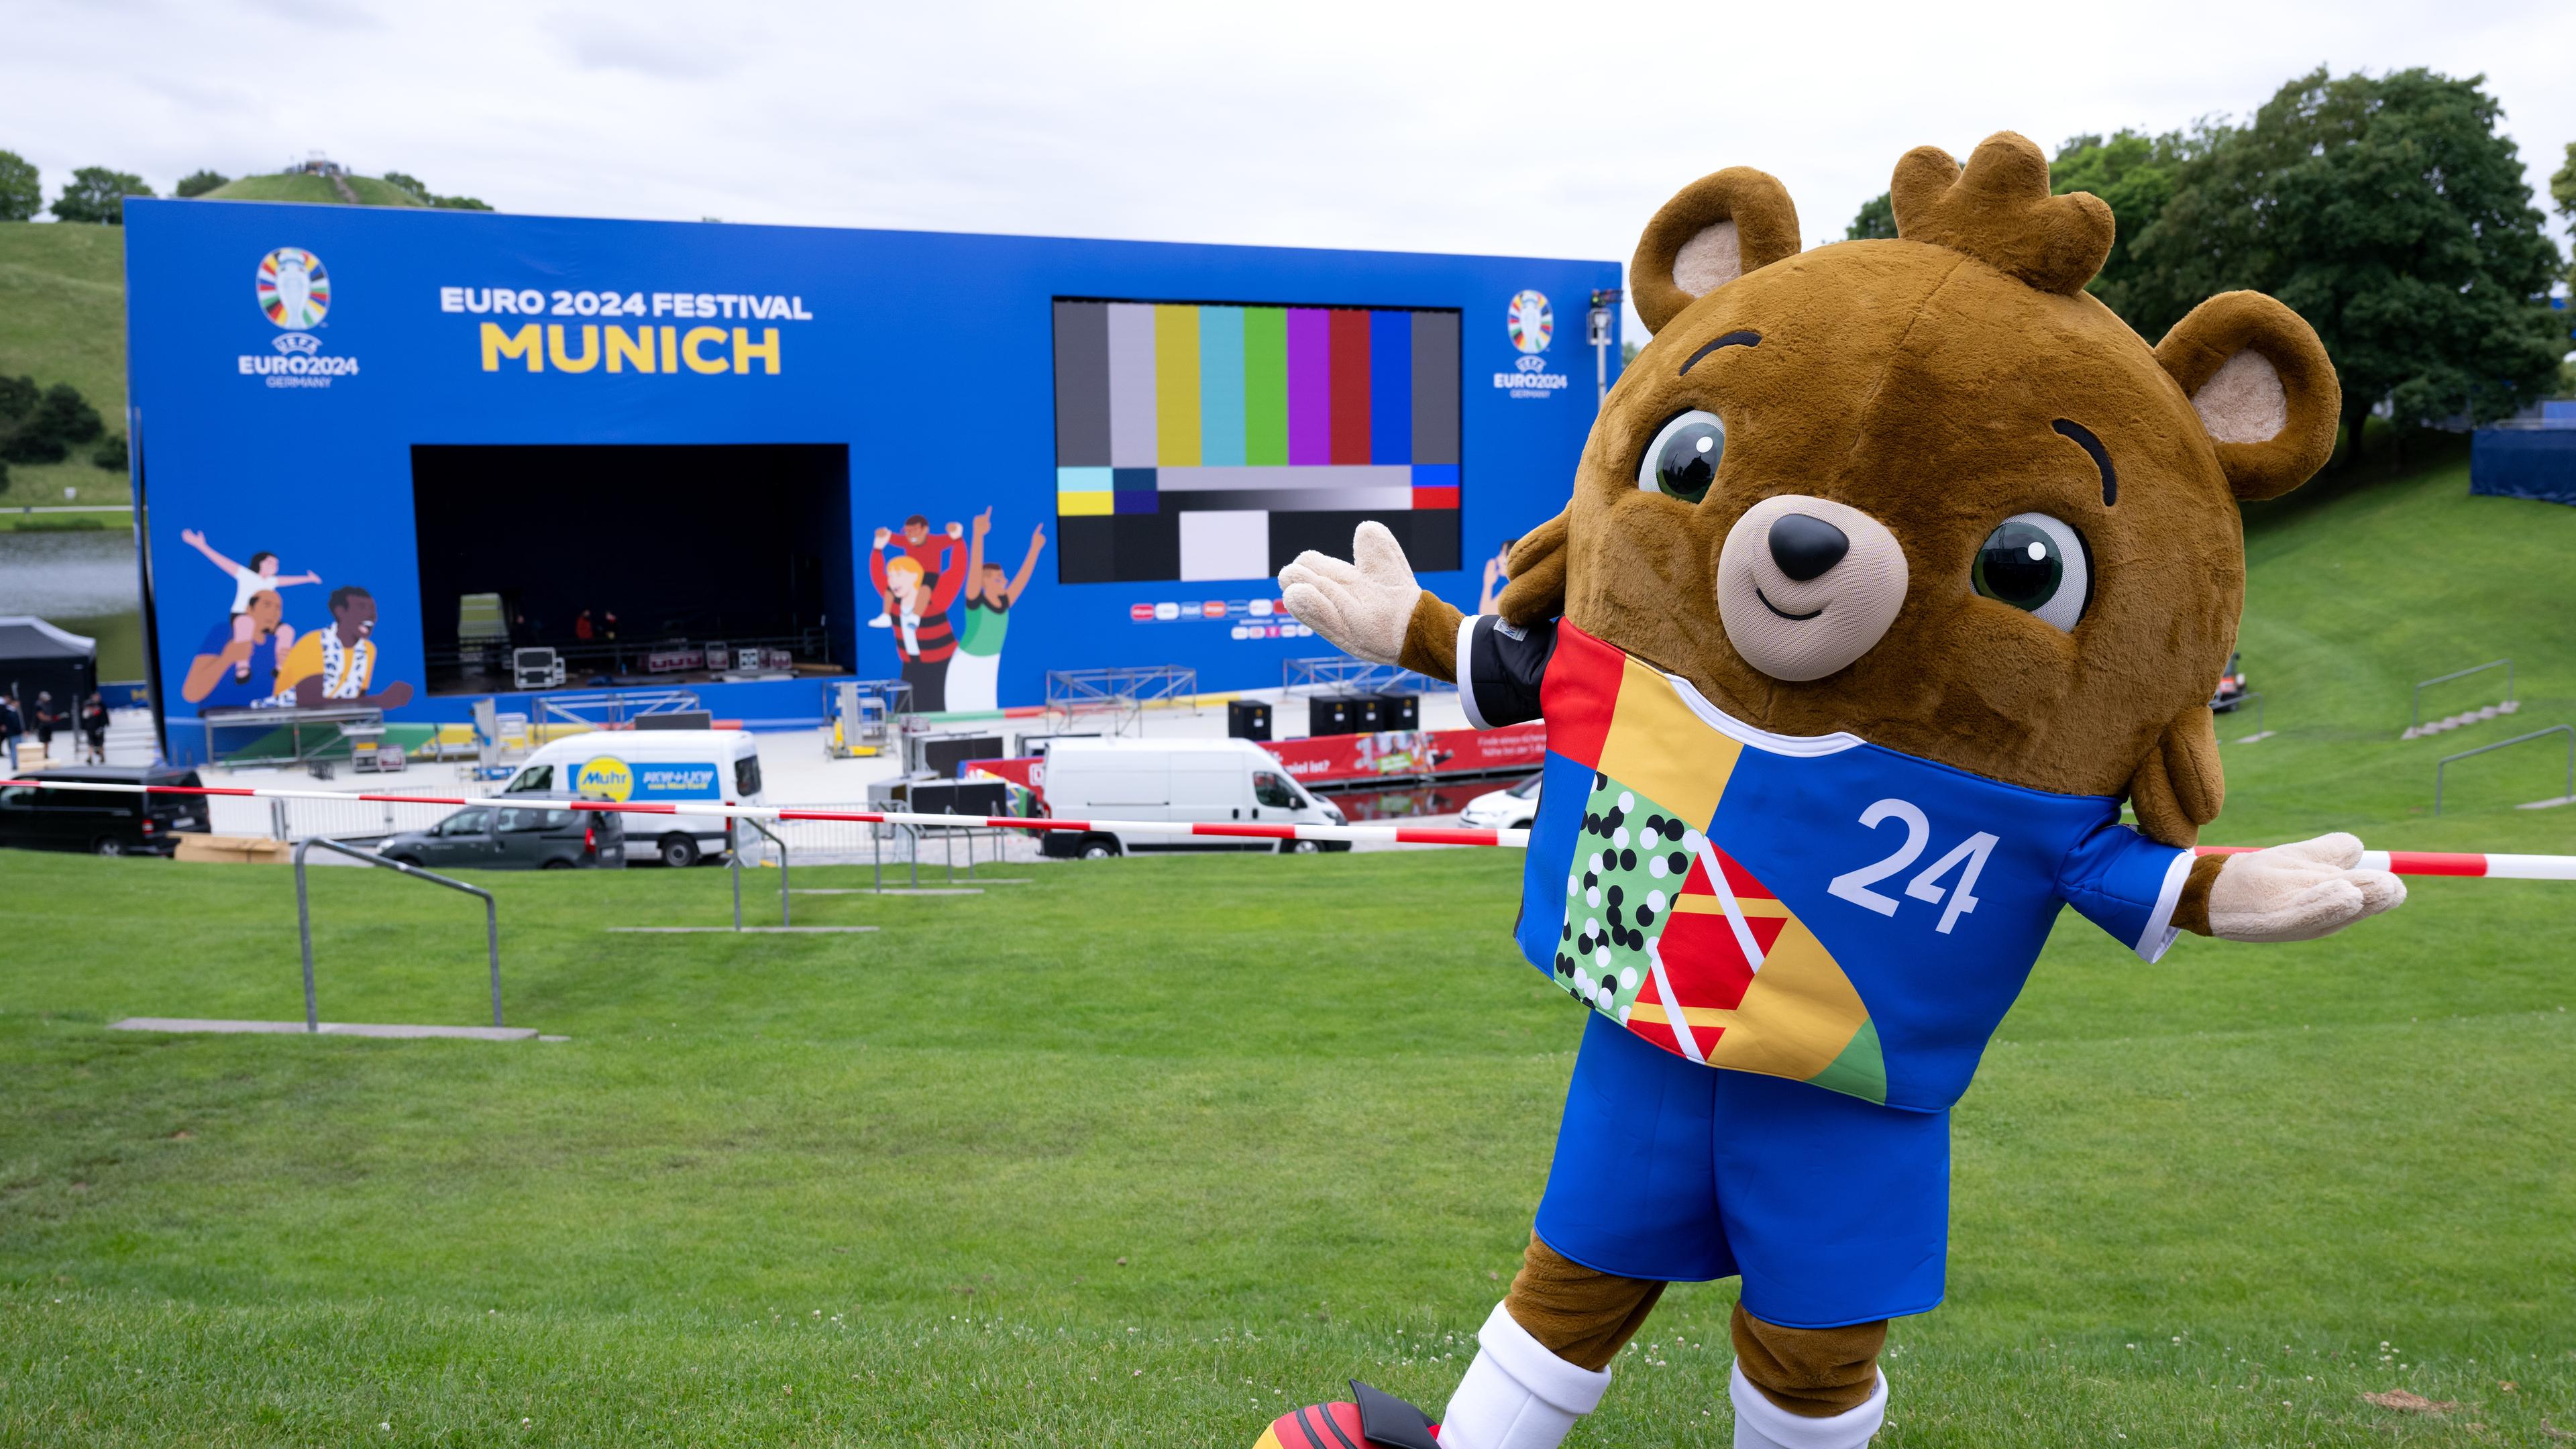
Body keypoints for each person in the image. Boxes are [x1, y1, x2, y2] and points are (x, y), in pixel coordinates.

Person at [179, 529, 319, 681]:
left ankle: (281, 667)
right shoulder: (246, 575)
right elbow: (223, 562)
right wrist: (201, 546)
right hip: (244, 614)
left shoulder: (271, 582)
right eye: (270, 562)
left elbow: (287, 580)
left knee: (287, 631)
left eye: (277, 564)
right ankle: (242, 666)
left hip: (267, 619)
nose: (275, 566)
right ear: (259, 563)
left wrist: (308, 579)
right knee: (245, 624)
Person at [946, 508, 1045, 712]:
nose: (1005, 581)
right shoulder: (975, 601)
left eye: (1004, 577)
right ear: (984, 582)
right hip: (966, 664)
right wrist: (978, 535)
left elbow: (1022, 578)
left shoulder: (1005, 601)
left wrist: (1035, 549)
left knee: (988, 714)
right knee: (960, 715)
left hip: (990, 665)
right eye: (998, 578)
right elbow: (974, 569)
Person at [276, 586, 414, 710]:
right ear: (340, 612)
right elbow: (308, 703)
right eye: (362, 608)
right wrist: (379, 701)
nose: (371, 615)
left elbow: (358, 701)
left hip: (334, 726)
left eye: (373, 609)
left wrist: (393, 698)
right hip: (281, 720)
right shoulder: (314, 643)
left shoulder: (368, 650)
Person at [868, 547, 965, 712]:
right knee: (906, 707)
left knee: (939, 705)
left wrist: (958, 542)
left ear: (914, 576)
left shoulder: (936, 601)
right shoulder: (895, 605)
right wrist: (877, 550)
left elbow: (957, 572)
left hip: (941, 662)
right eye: (890, 576)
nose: (892, 581)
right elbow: (877, 576)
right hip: (912, 663)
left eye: (899, 575)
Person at [181, 589, 288, 708]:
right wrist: (227, 658)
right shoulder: (224, 633)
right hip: (219, 717)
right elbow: (191, 693)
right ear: (249, 609)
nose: (274, 613)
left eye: (278, 608)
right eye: (267, 605)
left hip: (269, 721)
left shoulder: (279, 645)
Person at [869, 515, 963, 627]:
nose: (911, 535)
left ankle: (916, 617)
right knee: (890, 589)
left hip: (929, 575)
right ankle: (886, 616)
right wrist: (883, 533)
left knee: (925, 588)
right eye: (907, 531)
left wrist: (955, 531)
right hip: (910, 574)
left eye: (915, 530)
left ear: (925, 530)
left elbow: (953, 539)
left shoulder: (936, 541)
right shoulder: (906, 541)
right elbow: (890, 537)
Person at [32, 691, 64, 759]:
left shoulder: (48, 704)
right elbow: (41, 717)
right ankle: (41, 754)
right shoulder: (39, 705)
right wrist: (52, 718)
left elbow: (50, 715)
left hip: (48, 726)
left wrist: (54, 718)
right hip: (42, 726)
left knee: (47, 741)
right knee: (42, 741)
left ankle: (46, 754)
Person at [79, 692, 109, 764]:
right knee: (91, 744)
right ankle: (90, 757)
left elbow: (103, 718)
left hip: (98, 729)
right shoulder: (87, 712)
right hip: (90, 730)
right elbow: (84, 720)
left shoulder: (99, 709)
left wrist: (102, 727)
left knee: (100, 744)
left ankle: (102, 756)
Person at [0, 690, 21, 773]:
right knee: (13, 749)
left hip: (13, 732)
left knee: (14, 748)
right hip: (13, 733)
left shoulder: (11, 711)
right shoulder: (8, 711)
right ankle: (15, 764)